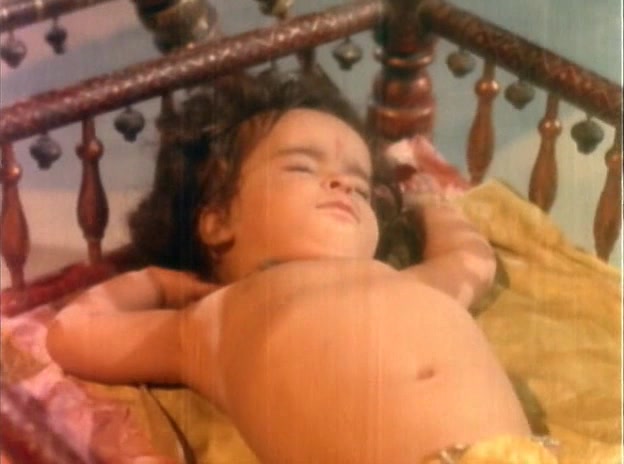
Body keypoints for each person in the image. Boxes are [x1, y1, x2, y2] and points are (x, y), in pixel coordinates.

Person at [46, 72, 535, 463]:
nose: (343, 186)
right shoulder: (214, 321)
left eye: (361, 187)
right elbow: (72, 333)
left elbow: (472, 262)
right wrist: (155, 283)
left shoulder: (412, 284)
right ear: (217, 221)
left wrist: (430, 203)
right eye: (303, 167)